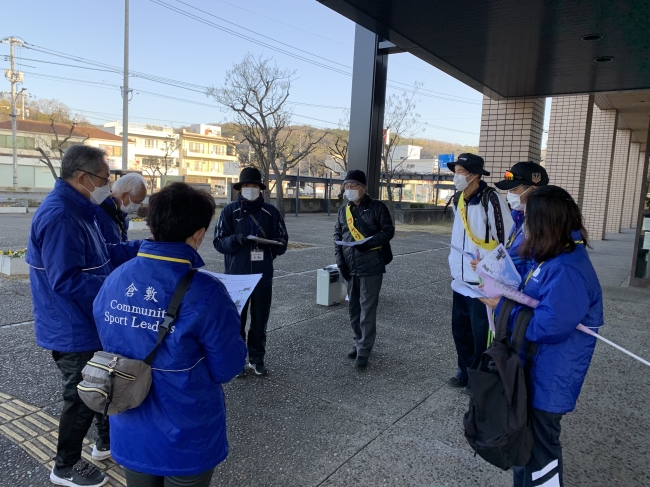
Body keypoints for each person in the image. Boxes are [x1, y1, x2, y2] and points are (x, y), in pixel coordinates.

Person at [93, 182, 246, 487]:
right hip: (186, 434)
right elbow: (227, 367)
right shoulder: (207, 292)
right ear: (199, 234)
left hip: (129, 424)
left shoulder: (116, 277)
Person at [26, 145, 142, 487]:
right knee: (79, 395)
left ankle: (105, 444)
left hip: (85, 320)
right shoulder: (61, 216)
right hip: (70, 325)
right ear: (82, 177)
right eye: (105, 179)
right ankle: (65, 466)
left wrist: (145, 248)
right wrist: (116, 291)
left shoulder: (81, 210)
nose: (109, 186)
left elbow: (104, 253)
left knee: (99, 385)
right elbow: (66, 279)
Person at [481, 186, 603, 487]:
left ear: (546, 222)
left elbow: (549, 325)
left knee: (541, 452)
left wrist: (502, 308)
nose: (525, 226)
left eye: (529, 219)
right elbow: (528, 270)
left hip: (550, 377)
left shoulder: (567, 268)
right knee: (525, 447)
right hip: (537, 370)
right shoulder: (555, 255)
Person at [447, 153, 513, 393]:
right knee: (460, 328)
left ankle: (478, 376)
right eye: (455, 171)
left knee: (480, 332)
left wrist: (488, 263)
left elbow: (506, 238)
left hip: (482, 280)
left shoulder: (491, 198)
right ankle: (463, 370)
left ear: (475, 175)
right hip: (460, 278)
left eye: (461, 171)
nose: (457, 176)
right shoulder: (459, 199)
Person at [214, 167, 288, 377]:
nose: (250, 189)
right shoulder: (229, 211)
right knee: (236, 321)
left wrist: (272, 244)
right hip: (237, 277)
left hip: (263, 277)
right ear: (239, 188)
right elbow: (218, 243)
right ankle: (237, 361)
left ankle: (257, 359)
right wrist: (235, 240)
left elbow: (283, 243)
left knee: (260, 319)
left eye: (254, 186)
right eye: (246, 186)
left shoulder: (270, 212)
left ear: (260, 189)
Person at [334, 169, 395, 368]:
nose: (350, 190)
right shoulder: (344, 210)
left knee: (367, 309)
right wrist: (341, 263)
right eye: (347, 186)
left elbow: (388, 231)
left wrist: (368, 244)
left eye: (354, 186)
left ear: (364, 188)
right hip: (350, 267)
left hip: (371, 266)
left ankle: (364, 349)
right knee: (353, 308)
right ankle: (357, 341)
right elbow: (337, 237)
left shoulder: (377, 207)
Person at [492, 161, 549, 278]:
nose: (509, 194)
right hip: (513, 284)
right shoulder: (517, 213)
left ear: (533, 190)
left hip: (527, 289)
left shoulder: (547, 222)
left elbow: (540, 266)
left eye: (513, 190)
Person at [96, 172, 147, 244]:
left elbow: (120, 243)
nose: (138, 205)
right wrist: (141, 245)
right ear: (124, 196)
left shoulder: (121, 214)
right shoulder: (99, 214)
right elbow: (107, 250)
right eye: (137, 201)